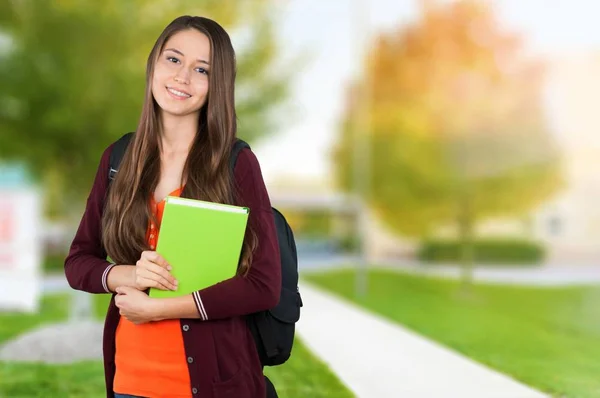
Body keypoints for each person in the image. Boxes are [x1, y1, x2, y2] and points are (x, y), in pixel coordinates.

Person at [64, 15, 281, 398]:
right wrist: (127, 275)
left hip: (214, 384)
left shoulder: (234, 163)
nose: (182, 77)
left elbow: (263, 286)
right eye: (173, 59)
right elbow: (78, 262)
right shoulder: (119, 158)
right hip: (129, 383)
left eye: (202, 69)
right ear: (153, 66)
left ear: (218, 85)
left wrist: (162, 309)